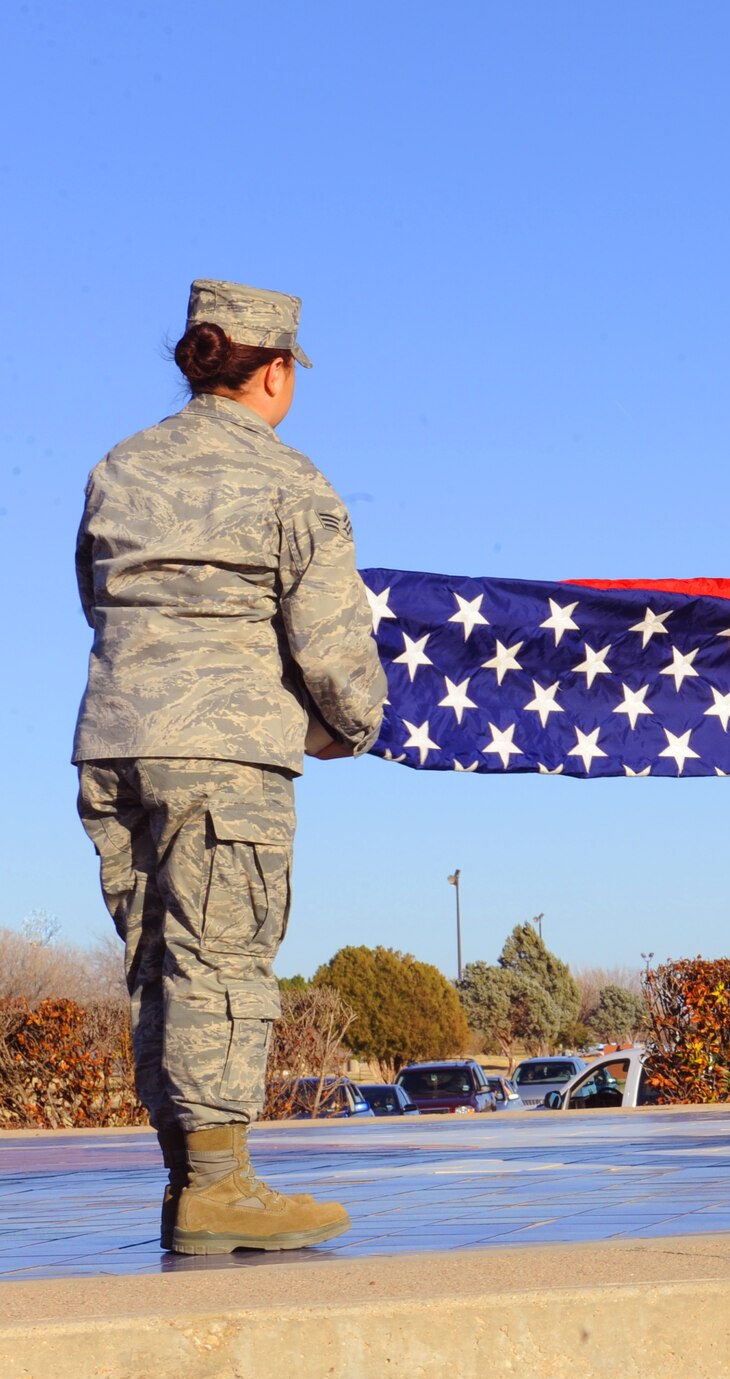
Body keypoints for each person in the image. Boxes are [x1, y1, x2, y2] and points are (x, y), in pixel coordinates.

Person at [74, 279, 386, 1252]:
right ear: (278, 370)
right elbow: (332, 648)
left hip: (116, 742)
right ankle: (218, 1186)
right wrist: (354, 726)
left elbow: (95, 593)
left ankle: (191, 1182)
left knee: (161, 965)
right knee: (221, 958)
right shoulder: (291, 481)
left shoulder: (118, 468)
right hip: (223, 751)